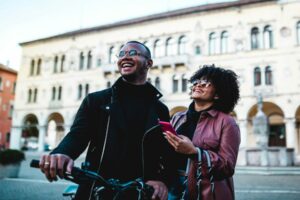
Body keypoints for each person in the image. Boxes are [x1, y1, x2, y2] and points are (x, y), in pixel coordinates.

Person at [39, 41, 175, 200]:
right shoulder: (96, 101)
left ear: (148, 63)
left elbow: (165, 152)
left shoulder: (160, 109)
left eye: (133, 53)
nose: (125, 57)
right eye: (121, 54)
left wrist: (161, 180)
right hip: (96, 189)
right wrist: (62, 152)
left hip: (140, 191)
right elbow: (77, 135)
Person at [165, 65, 240, 200]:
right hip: (172, 187)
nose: (198, 85)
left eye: (205, 83)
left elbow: (227, 166)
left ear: (218, 94)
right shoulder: (178, 117)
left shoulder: (227, 122)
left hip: (205, 191)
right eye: (196, 82)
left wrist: (194, 152)